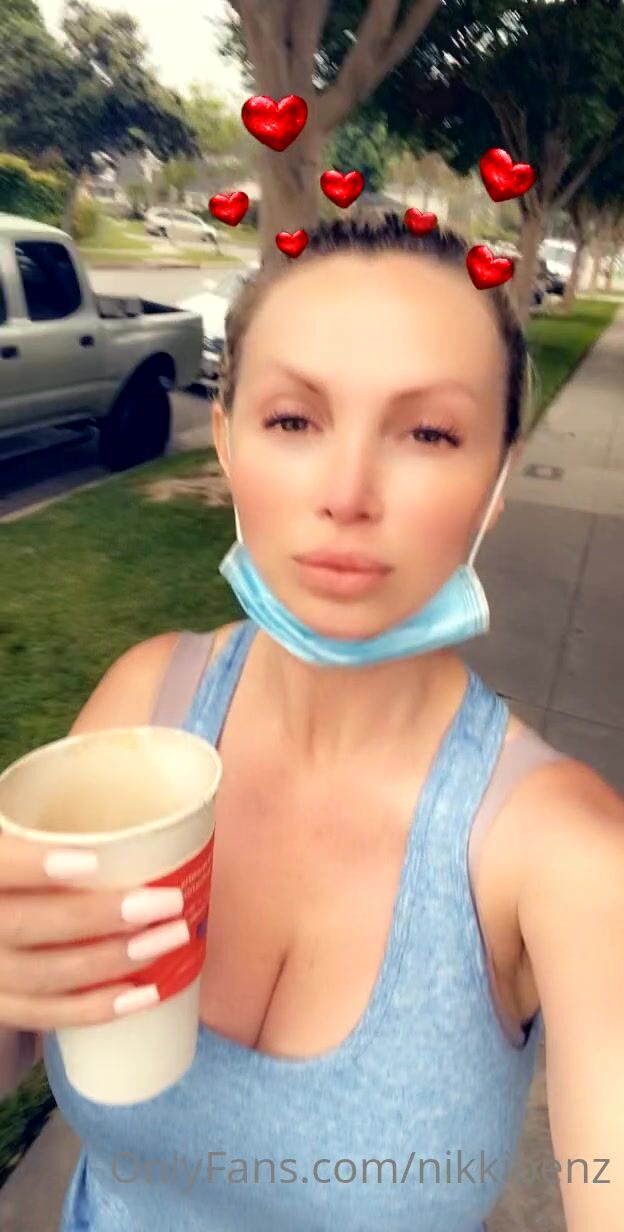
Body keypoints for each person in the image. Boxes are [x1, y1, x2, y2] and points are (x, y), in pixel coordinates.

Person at [1, 213, 622, 1231]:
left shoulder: (566, 851)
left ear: (498, 480)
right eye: (294, 420)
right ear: (228, 438)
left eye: (429, 433)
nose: (346, 493)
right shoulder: (145, 705)